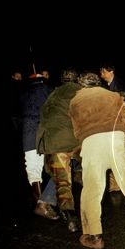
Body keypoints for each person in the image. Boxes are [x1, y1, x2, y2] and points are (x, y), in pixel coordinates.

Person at [68, 72, 125, 249]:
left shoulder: (75, 101)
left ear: (82, 86)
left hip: (92, 141)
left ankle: (93, 236)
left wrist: (81, 146)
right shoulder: (113, 95)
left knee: (92, 190)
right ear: (98, 83)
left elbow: (76, 130)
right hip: (116, 140)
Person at [36, 68, 82, 231]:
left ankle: (70, 217)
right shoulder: (79, 91)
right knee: (93, 161)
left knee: (62, 182)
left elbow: (44, 115)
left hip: (50, 143)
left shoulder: (53, 94)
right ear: (77, 80)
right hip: (70, 141)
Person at [20, 73, 59, 220]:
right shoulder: (48, 89)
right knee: (58, 164)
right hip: (45, 130)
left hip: (28, 131)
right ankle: (44, 202)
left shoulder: (23, 92)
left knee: (32, 168)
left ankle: (40, 203)